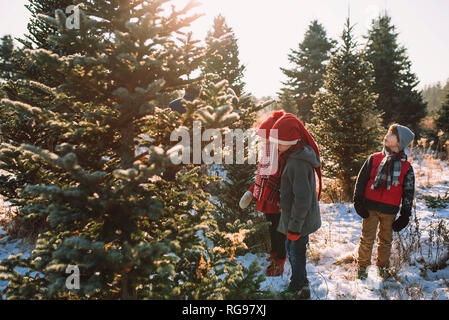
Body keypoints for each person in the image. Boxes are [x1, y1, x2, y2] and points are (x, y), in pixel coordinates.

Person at [268, 113, 322, 300]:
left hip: (298, 221)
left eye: (280, 142)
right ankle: (302, 284)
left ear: (292, 141)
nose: (277, 147)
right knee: (292, 249)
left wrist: (295, 226)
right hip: (294, 219)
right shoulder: (292, 157)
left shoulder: (297, 163)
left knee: (296, 253)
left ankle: (298, 287)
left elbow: (302, 199)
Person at [353, 124, 415, 280]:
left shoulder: (406, 167)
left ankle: (382, 267)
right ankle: (363, 266)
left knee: (386, 240)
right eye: (388, 132)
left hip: (390, 210)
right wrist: (358, 201)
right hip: (370, 207)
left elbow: (408, 192)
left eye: (392, 134)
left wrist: (405, 214)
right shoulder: (374, 159)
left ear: (400, 142)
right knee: (367, 238)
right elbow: (361, 181)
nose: (387, 135)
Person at [239, 110, 287, 277]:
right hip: (268, 201)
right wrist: (251, 191)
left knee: (279, 232)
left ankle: (279, 261)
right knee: (273, 230)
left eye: (268, 138)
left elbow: (281, 180)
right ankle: (275, 256)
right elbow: (262, 177)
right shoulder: (268, 151)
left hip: (279, 202)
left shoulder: (284, 155)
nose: (265, 141)